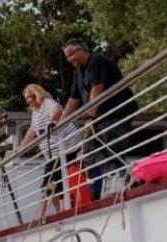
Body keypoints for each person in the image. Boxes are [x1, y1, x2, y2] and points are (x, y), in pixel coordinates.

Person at [59, 38, 139, 200]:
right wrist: (60, 123)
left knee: (113, 145)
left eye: (70, 55)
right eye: (67, 57)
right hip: (101, 117)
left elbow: (97, 89)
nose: (69, 60)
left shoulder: (97, 61)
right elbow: (73, 99)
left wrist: (90, 117)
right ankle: (120, 175)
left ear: (80, 50)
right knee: (90, 149)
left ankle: (124, 179)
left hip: (117, 113)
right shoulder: (78, 72)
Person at [19, 83, 83, 214]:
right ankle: (59, 212)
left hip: (66, 148)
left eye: (28, 97)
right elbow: (32, 130)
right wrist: (21, 147)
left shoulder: (46, 103)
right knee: (50, 187)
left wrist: (51, 121)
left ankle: (52, 215)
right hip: (53, 154)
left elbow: (57, 111)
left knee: (49, 187)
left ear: (36, 94)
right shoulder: (35, 112)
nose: (27, 101)